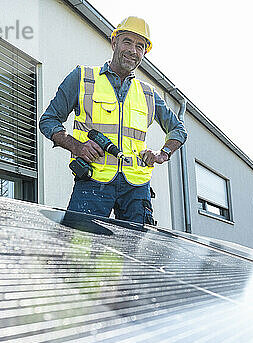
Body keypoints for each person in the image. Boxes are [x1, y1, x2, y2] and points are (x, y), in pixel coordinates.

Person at [39, 16, 187, 224]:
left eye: (140, 46)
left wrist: (163, 153)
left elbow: (178, 130)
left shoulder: (148, 94)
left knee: (132, 254)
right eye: (127, 41)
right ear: (114, 42)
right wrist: (77, 146)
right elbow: (49, 120)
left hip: (136, 190)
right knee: (80, 251)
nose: (133, 51)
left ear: (144, 52)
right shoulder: (83, 78)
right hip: (92, 181)